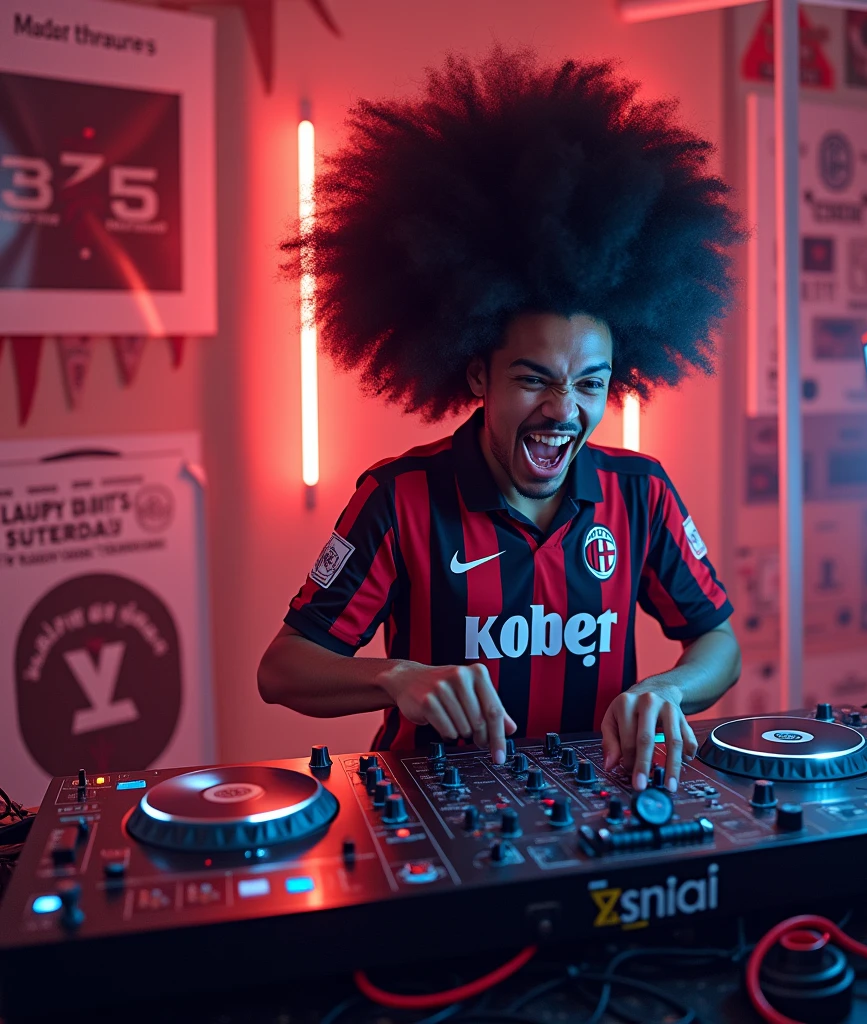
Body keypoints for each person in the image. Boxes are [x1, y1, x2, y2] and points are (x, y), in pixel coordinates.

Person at [258, 48, 744, 792]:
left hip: (598, 809)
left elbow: (717, 641)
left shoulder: (641, 494)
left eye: (590, 383)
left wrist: (667, 691)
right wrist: (398, 678)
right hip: (435, 812)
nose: (563, 409)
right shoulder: (400, 500)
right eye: (534, 379)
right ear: (479, 373)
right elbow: (282, 670)